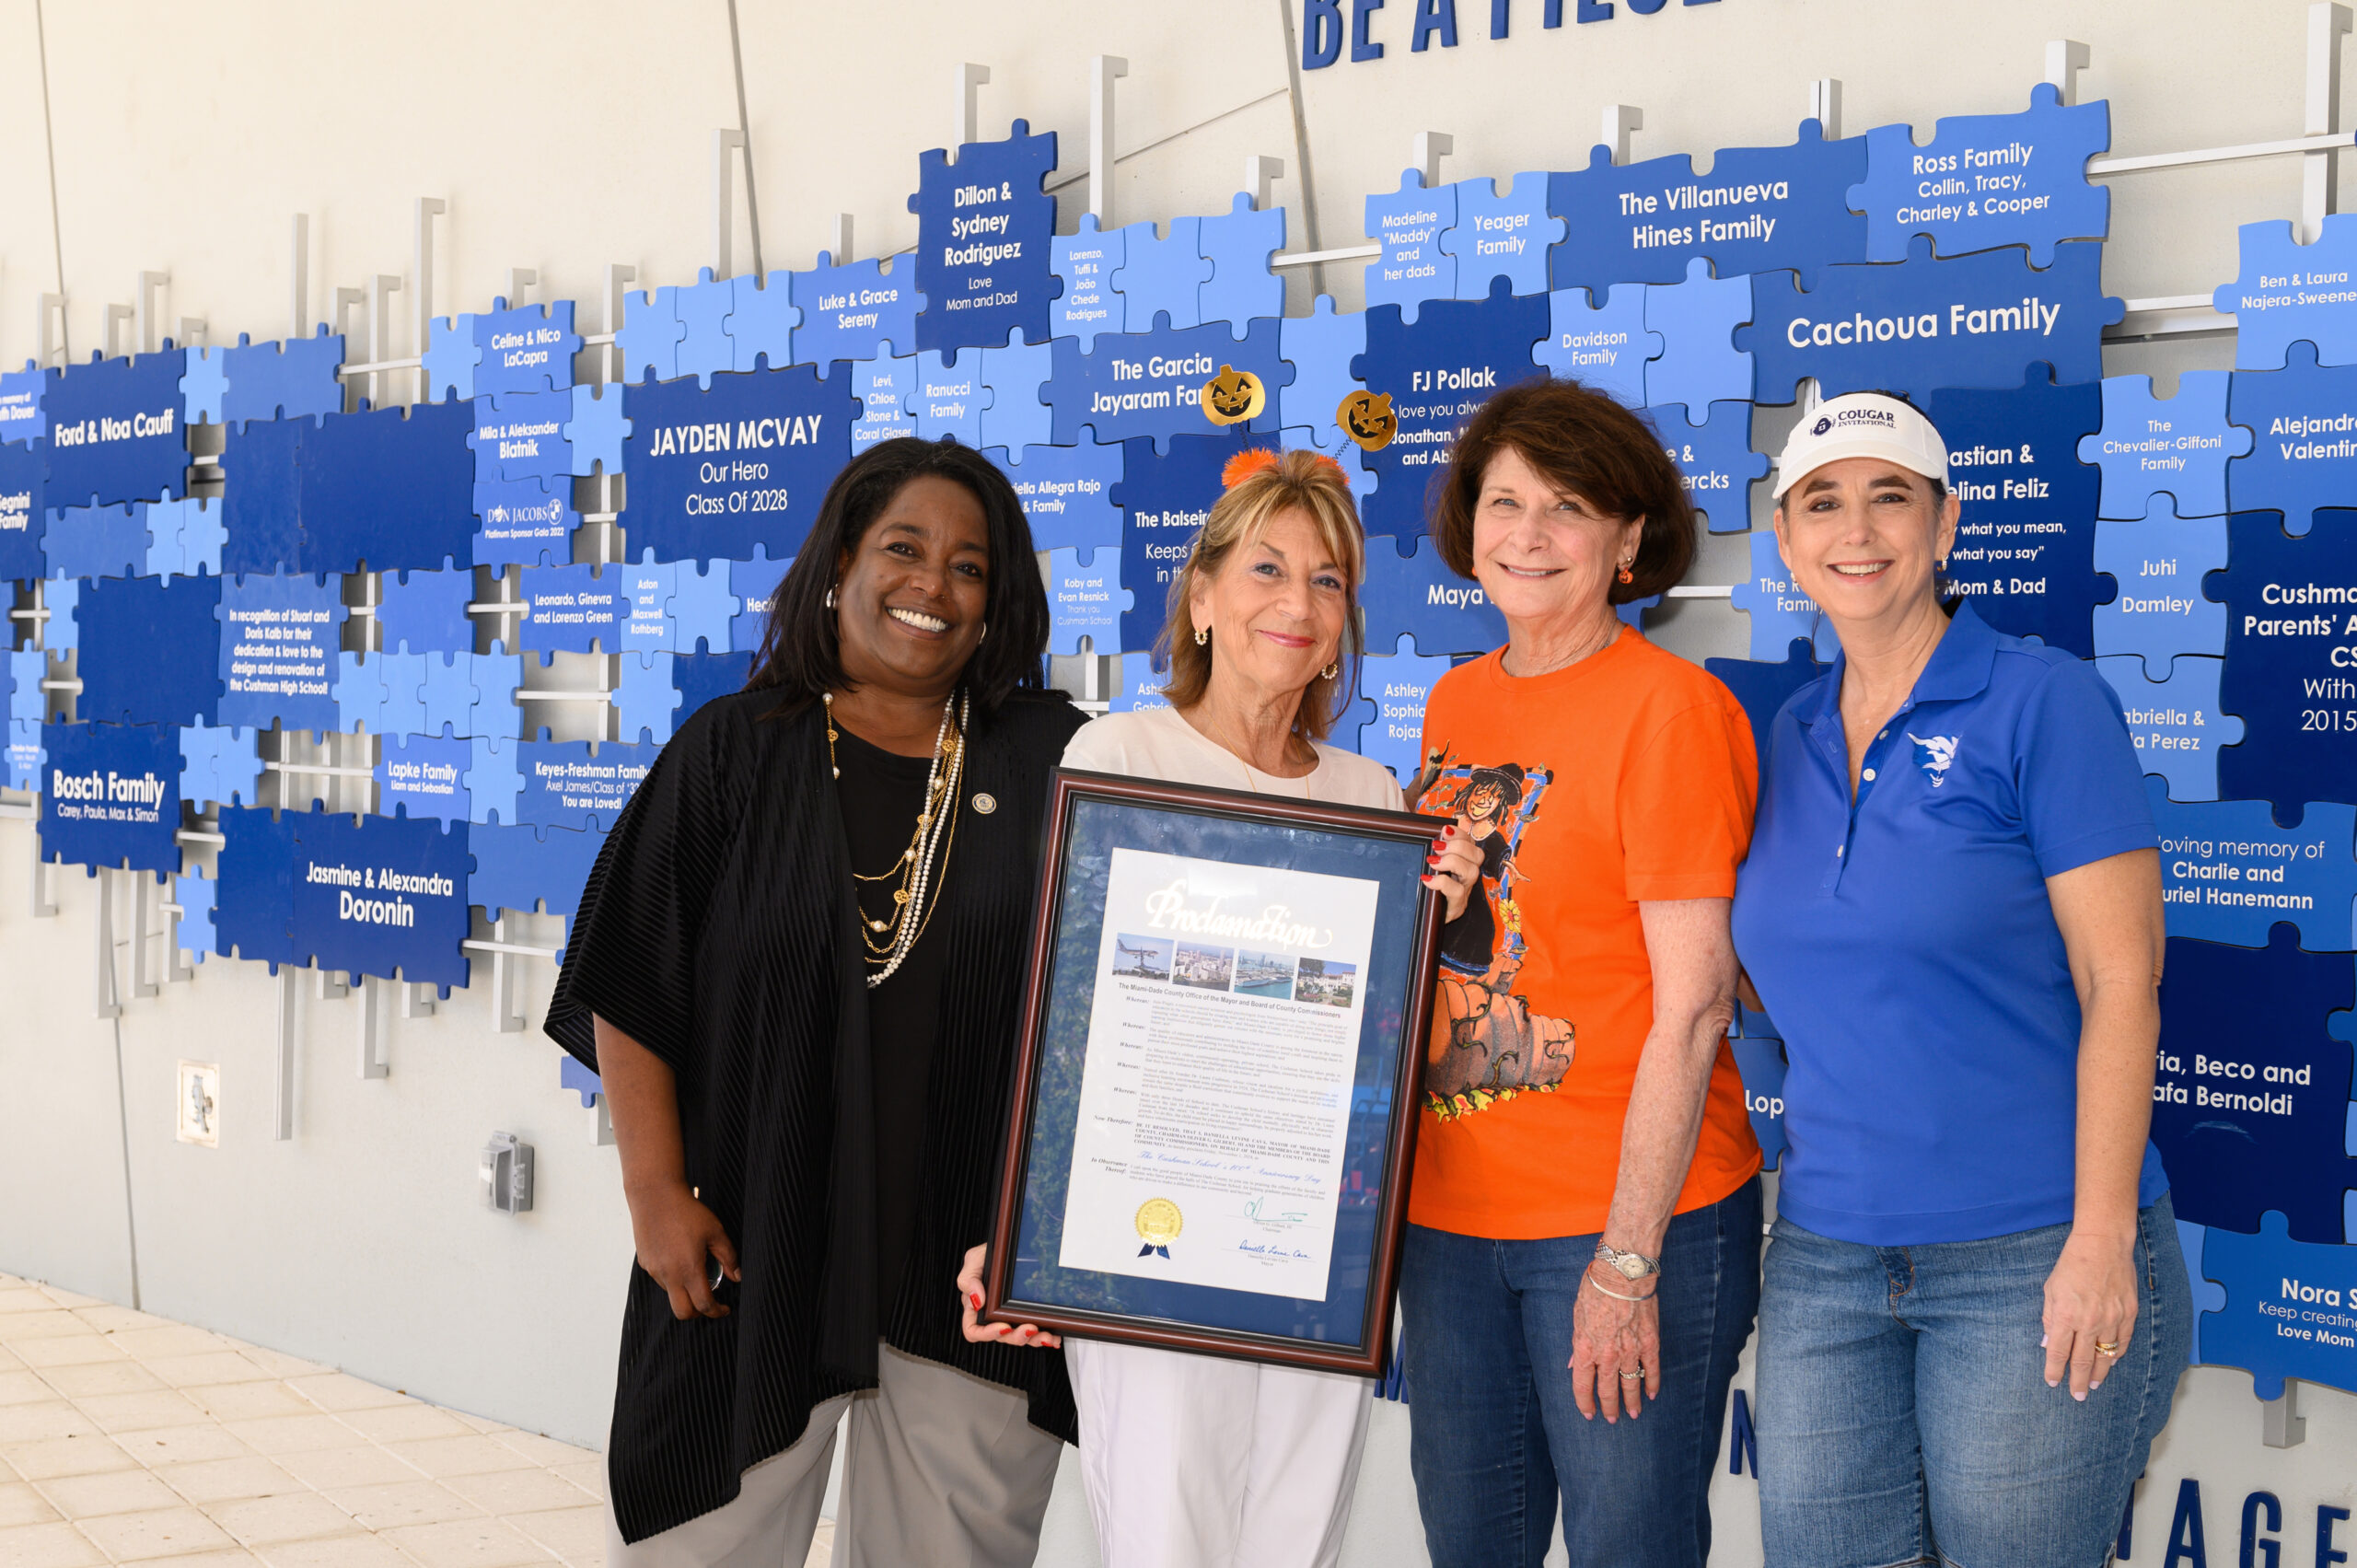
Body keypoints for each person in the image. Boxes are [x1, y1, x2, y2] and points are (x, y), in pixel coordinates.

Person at [545, 437, 1087, 1568]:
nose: (933, 584)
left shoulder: (1053, 761)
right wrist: (654, 1192)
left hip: (972, 1276)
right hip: (749, 1253)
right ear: (841, 563)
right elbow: (630, 973)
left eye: (969, 566)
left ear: (997, 602)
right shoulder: (733, 752)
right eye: (904, 548)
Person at [958, 446, 1482, 1568]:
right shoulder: (1119, 753)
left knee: (1297, 1539)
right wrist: (1024, 1225)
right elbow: (1065, 1019)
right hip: (1146, 1236)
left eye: (1328, 580)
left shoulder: (1368, 796)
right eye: (1266, 569)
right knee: (1164, 1536)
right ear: (1200, 598)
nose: (1297, 602)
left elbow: (1384, 1046)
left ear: (1343, 626)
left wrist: (1441, 918)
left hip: (1312, 1252)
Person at [1732, 392, 2188, 1568]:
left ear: (1945, 523)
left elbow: (2122, 980)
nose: (1856, 529)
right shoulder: (1784, 733)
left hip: (2030, 1250)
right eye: (1821, 503)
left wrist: (2100, 1241)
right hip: (1825, 1254)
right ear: (1784, 541)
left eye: (1890, 496)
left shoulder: (2044, 700)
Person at [1397, 378, 1766, 1568]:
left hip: (1619, 1223)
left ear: (1628, 538)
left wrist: (1627, 1258)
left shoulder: (1673, 710)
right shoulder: (1456, 697)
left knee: (1630, 1547)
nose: (1529, 534)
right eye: (1505, 502)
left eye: (1568, 506)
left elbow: (1695, 1002)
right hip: (1448, 1216)